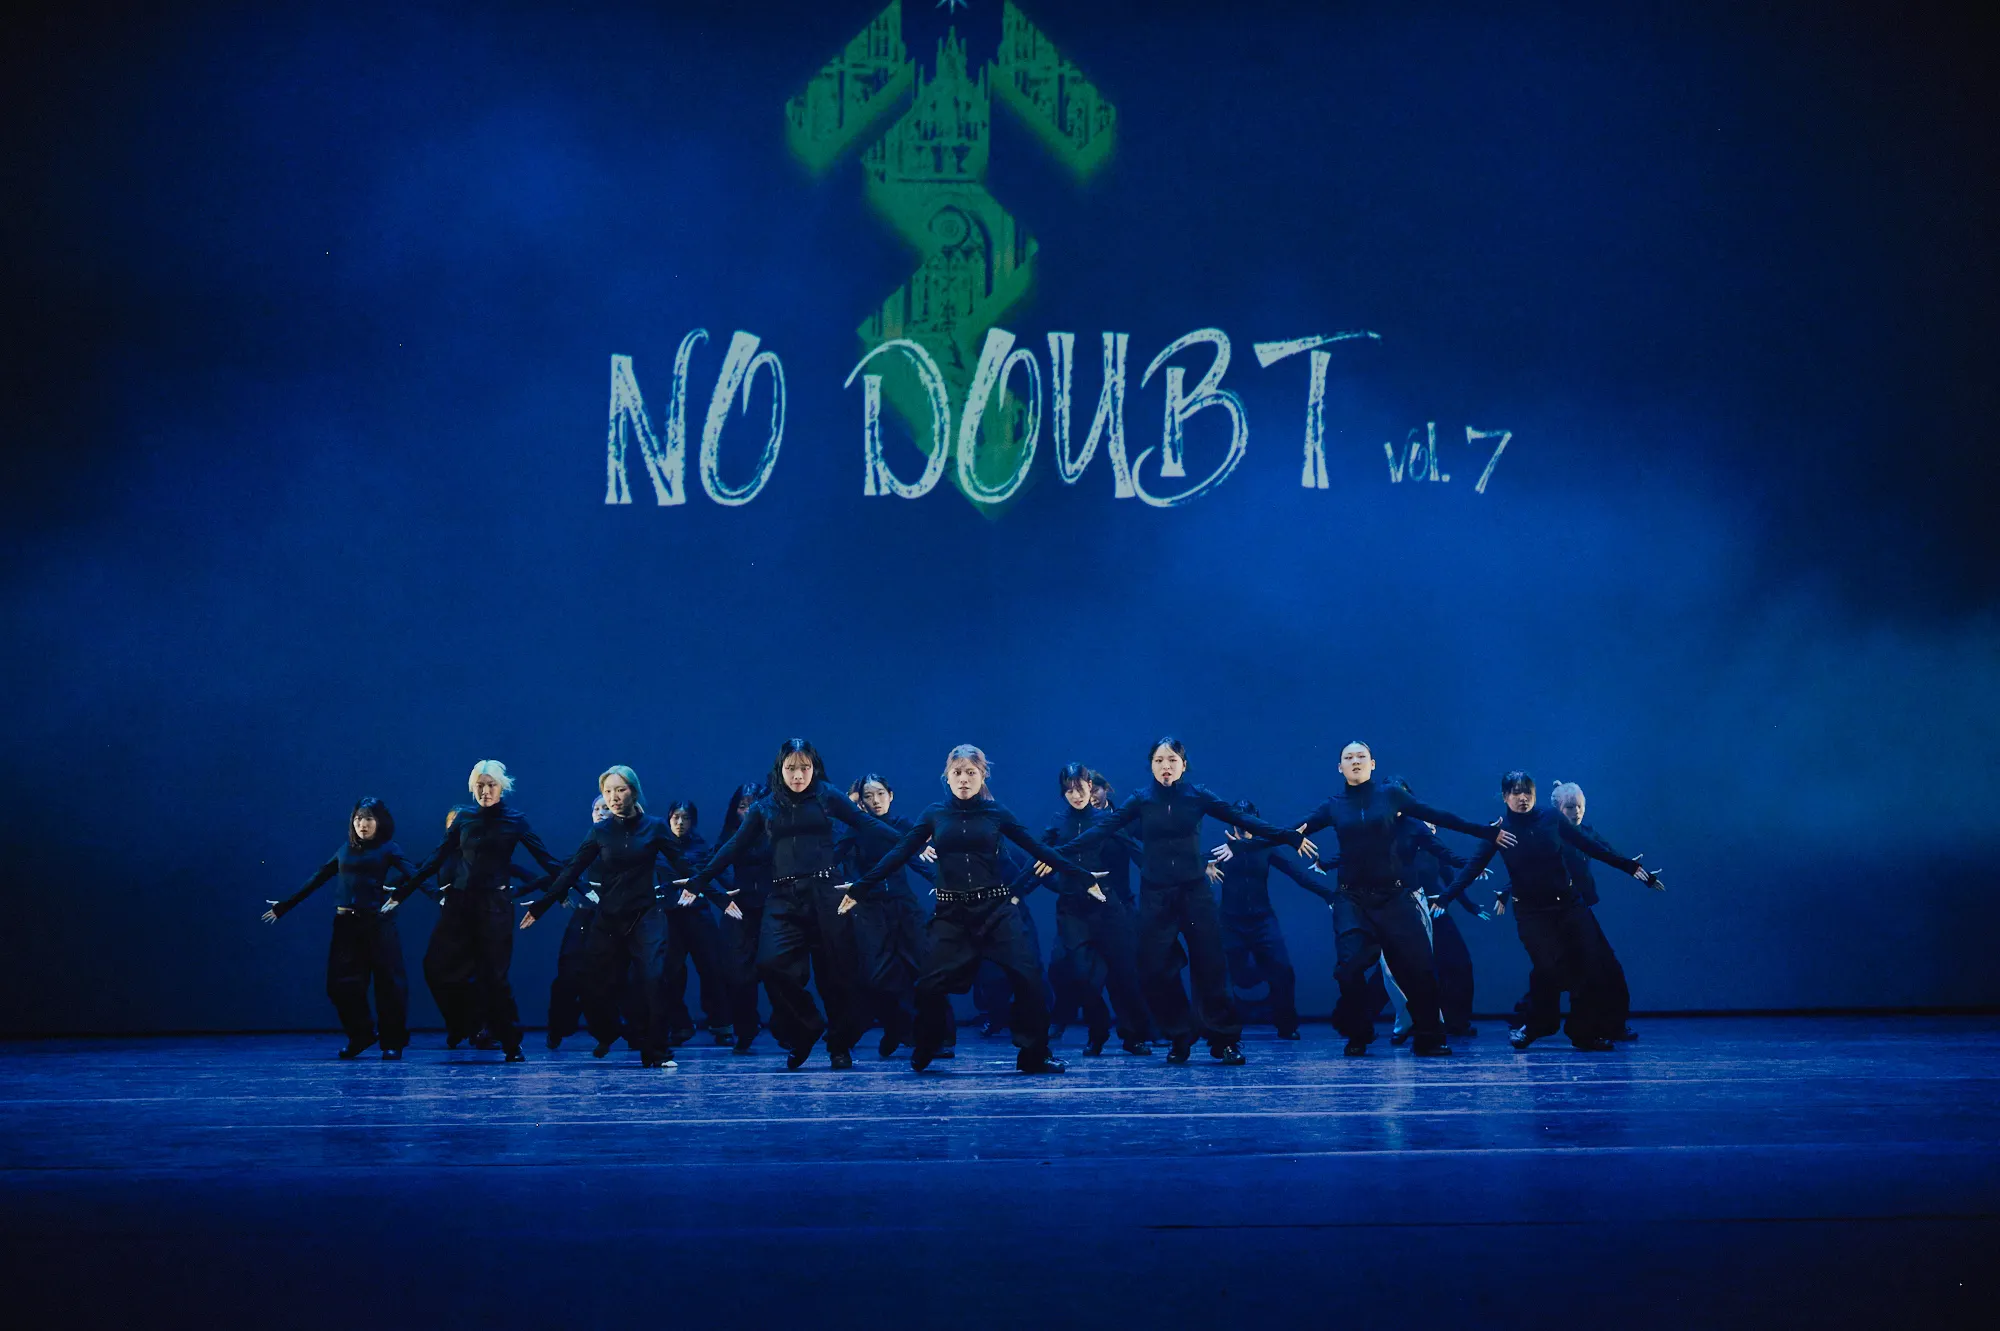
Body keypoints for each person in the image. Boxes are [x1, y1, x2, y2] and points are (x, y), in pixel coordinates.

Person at [838, 745, 1103, 1074]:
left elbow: (1037, 848)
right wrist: (861, 886)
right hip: (952, 914)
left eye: (971, 773)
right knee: (928, 985)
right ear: (947, 777)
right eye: (957, 773)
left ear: (982, 776)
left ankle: (1034, 1054)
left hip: (995, 910)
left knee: (1029, 977)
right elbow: (899, 852)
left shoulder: (996, 813)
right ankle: (928, 1042)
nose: (964, 779)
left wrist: (1081, 876)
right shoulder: (934, 814)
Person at [1058, 737, 1310, 1066]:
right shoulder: (1141, 800)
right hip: (1157, 895)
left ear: (1183, 764)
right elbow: (1102, 829)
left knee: (1211, 966)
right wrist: (1056, 854)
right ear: (1151, 765)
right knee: (1153, 968)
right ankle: (1179, 1035)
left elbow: (1242, 818)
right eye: (1159, 761)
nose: (1166, 766)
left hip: (1194, 893)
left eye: (1172, 760)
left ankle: (1224, 1039)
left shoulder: (1197, 795)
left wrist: (1287, 835)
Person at [679, 740, 895, 1070]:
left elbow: (865, 823)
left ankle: (839, 1045)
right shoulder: (765, 807)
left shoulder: (826, 795)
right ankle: (806, 1028)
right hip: (783, 896)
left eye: (804, 768)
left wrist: (912, 839)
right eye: (791, 768)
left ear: (814, 768)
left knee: (836, 973)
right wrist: (700, 879)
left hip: (825, 892)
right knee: (770, 963)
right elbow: (734, 846)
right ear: (780, 769)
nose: (798, 775)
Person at [1287, 742, 1510, 1058]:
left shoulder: (1391, 795)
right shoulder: (1333, 806)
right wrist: (1253, 843)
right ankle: (1359, 1033)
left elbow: (1438, 816)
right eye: (1348, 758)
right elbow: (1291, 830)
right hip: (1352, 899)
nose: (1355, 761)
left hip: (1394, 897)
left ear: (1372, 764)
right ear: (1340, 767)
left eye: (1361, 757)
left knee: (1419, 968)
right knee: (1348, 970)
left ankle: (1429, 1038)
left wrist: (1483, 832)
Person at [521, 767, 730, 1070]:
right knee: (593, 985)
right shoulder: (600, 832)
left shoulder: (655, 827)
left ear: (633, 791)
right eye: (608, 791)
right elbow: (571, 871)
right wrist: (542, 905)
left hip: (646, 916)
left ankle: (657, 1052)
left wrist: (718, 897)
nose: (613, 797)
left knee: (653, 980)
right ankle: (608, 1033)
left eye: (620, 790)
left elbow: (684, 866)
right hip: (609, 919)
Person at [1443, 771, 1663, 1052]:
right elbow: (1472, 867)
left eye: (1528, 792)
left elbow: (1591, 846)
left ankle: (1583, 1032)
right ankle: (1539, 1024)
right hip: (1532, 913)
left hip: (1569, 905)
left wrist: (1630, 867)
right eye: (1516, 793)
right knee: (1548, 968)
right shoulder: (1499, 831)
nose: (1523, 798)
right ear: (1505, 796)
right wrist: (1446, 898)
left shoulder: (1551, 818)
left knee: (1588, 966)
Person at [386, 762, 565, 1062]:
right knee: (437, 967)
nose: (485, 791)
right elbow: (434, 859)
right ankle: (467, 1025)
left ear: (501, 787)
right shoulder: (464, 818)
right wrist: (403, 892)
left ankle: (510, 1042)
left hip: (494, 907)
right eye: (479, 786)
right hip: (460, 905)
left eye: (491, 785)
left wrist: (566, 891)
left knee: (494, 977)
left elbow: (549, 862)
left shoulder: (515, 820)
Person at [262, 797, 416, 1060]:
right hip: (346, 924)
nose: (362, 824)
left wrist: (434, 895)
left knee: (389, 984)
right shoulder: (345, 849)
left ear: (379, 822)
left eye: (368, 819)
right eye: (358, 818)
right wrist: (286, 905)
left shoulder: (389, 849)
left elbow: (415, 874)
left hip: (377, 924)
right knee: (339, 985)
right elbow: (318, 877)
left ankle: (393, 1041)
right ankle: (361, 1034)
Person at [1036, 763, 1153, 1056]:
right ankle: (1097, 1032)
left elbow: (1138, 853)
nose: (1076, 795)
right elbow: (1037, 864)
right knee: (1082, 976)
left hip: (1108, 907)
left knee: (1124, 974)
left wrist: (1183, 870)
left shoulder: (1107, 820)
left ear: (1091, 786)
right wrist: (1014, 893)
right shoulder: (1058, 822)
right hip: (1073, 911)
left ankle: (1133, 1035)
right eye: (1069, 791)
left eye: (1080, 788)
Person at [1205, 803, 1337, 1039]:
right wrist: (1204, 865)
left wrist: (1328, 894)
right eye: (1239, 823)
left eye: (1248, 823)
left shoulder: (1265, 849)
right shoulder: (1224, 850)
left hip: (1262, 920)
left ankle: (1287, 1026)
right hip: (1230, 922)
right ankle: (1222, 1028)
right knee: (1222, 974)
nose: (1244, 828)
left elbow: (1297, 875)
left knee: (1282, 970)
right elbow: (1192, 861)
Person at [835, 774, 938, 1058]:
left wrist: (938, 882)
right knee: (878, 975)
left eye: (880, 793)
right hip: (871, 907)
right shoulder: (856, 827)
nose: (876, 800)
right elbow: (836, 857)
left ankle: (934, 1037)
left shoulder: (903, 824)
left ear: (890, 795)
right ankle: (896, 1026)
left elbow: (917, 857)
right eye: (869, 796)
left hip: (903, 904)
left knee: (924, 965)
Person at [544, 794, 618, 1052]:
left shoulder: (625, 845)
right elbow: (565, 869)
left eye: (606, 808)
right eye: (596, 808)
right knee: (568, 975)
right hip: (585, 918)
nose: (600, 812)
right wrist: (559, 892)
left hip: (611, 921)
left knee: (601, 980)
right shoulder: (589, 843)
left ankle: (607, 1034)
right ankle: (558, 1028)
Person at [660, 799, 737, 1047]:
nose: (680, 822)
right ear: (669, 818)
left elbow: (715, 874)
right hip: (670, 916)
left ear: (693, 822)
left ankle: (721, 1025)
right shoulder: (659, 845)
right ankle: (680, 1025)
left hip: (698, 915)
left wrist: (734, 892)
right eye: (676, 817)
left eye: (686, 818)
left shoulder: (702, 848)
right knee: (668, 973)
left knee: (712, 969)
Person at [712, 781, 774, 1054]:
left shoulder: (776, 831)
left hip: (772, 908)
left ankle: (787, 1029)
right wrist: (730, 889)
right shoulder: (730, 833)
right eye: (742, 806)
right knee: (737, 975)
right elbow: (716, 863)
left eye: (753, 805)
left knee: (777, 970)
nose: (748, 811)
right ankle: (746, 1028)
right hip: (739, 910)